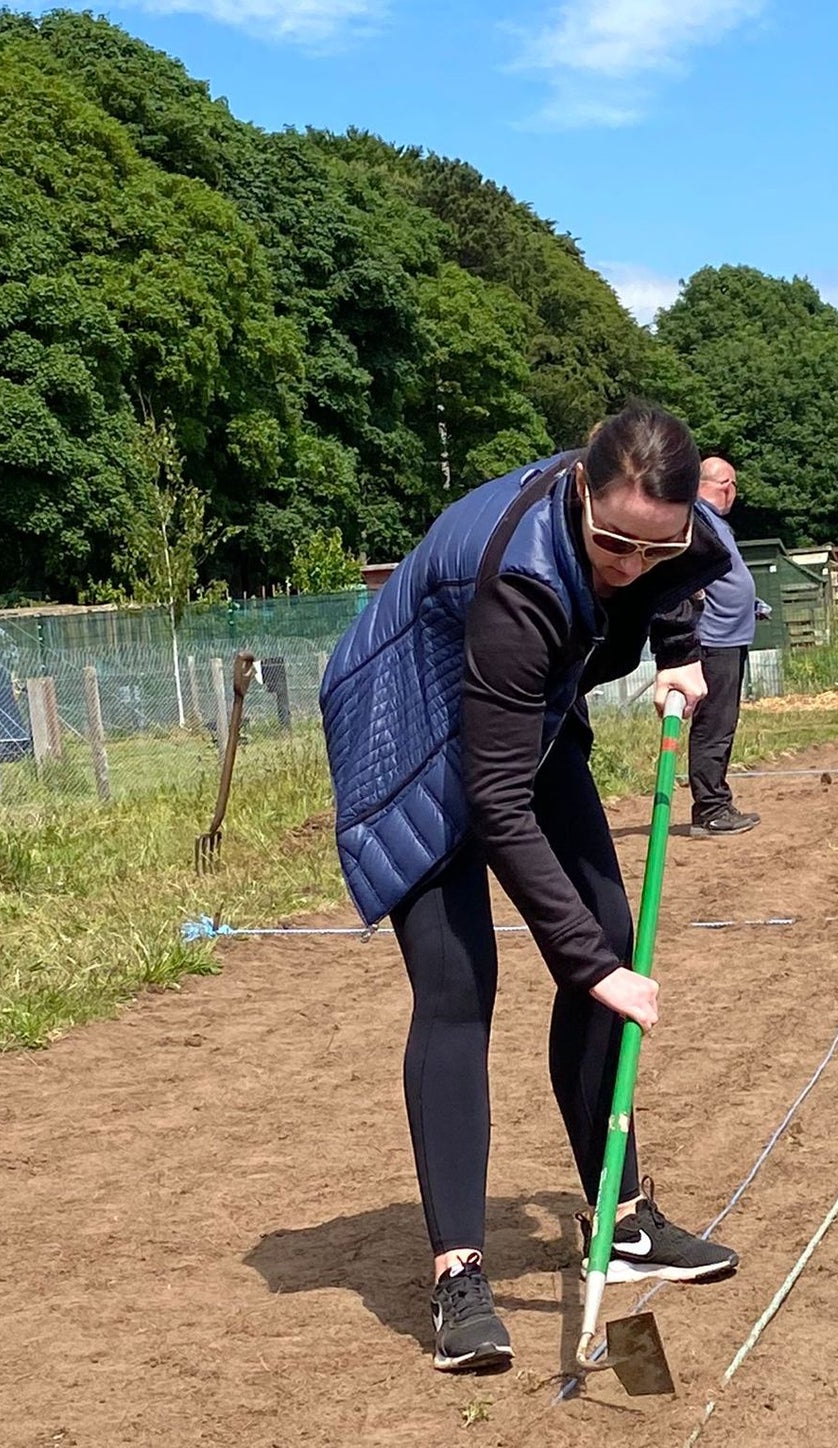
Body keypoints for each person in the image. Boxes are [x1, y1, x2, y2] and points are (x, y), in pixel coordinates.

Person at [320, 408, 740, 1376]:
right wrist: (590, 968)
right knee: (460, 978)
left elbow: (679, 572)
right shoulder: (520, 580)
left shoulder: (673, 529)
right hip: (411, 726)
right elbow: (495, 800)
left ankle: (622, 1214)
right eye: (611, 543)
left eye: (651, 546)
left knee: (607, 930)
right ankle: (458, 1277)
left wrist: (677, 646)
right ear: (580, 493)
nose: (628, 563)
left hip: (522, 713)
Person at [688, 456, 761, 837]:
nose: (734, 494)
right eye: (732, 486)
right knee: (713, 724)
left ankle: (717, 801)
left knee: (724, 723)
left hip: (731, 635)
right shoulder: (696, 518)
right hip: (715, 638)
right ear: (725, 484)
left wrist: (752, 603)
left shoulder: (714, 522)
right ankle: (710, 809)